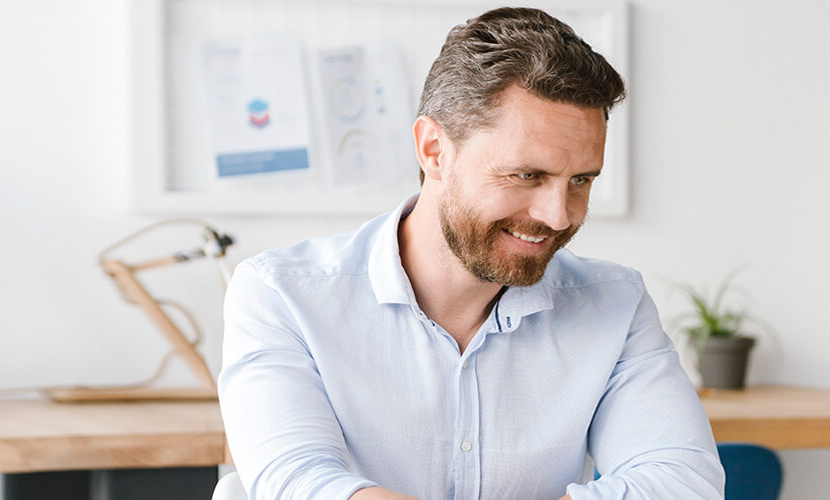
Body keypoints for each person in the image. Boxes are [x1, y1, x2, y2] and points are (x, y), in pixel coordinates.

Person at [218, 7, 723, 500]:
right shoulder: (281, 294)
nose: (558, 216)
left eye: (581, 180)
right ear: (434, 150)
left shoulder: (615, 303)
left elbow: (682, 479)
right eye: (527, 175)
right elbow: (298, 482)